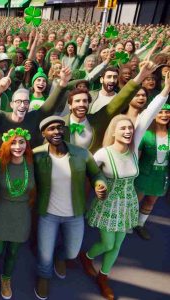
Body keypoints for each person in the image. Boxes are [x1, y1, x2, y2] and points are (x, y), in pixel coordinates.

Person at [80, 72, 169, 300]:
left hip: (128, 202)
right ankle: (87, 256)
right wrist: (97, 184)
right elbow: (86, 170)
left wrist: (165, 91)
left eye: (130, 129)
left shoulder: (133, 148)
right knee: (107, 242)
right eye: (123, 129)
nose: (129, 131)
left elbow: (148, 115)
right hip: (107, 204)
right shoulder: (102, 153)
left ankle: (104, 276)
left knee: (118, 244)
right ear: (114, 131)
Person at [33, 116, 107, 300]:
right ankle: (44, 276)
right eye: (51, 129)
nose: (56, 131)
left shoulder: (81, 154)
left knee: (72, 251)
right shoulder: (36, 155)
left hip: (74, 213)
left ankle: (61, 255)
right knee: (44, 254)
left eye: (60, 128)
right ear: (44, 133)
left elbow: (96, 173)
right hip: (47, 214)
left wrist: (100, 184)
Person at [0, 128, 35, 299]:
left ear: (26, 144)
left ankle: (6, 279)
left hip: (22, 212)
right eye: (13, 142)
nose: (17, 146)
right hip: (2, 209)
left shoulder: (32, 162)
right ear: (7, 144)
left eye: (21, 142)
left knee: (14, 251)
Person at [133, 103, 170, 240]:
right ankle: (126, 224)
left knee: (151, 201)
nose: (164, 115)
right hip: (144, 174)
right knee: (135, 201)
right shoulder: (146, 134)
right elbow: (137, 156)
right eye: (161, 112)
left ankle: (140, 224)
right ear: (154, 115)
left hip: (161, 176)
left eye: (167, 112)